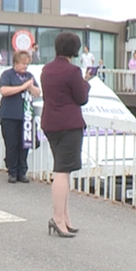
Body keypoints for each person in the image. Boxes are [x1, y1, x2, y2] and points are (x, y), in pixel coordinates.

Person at [40, 32, 92, 238]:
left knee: (64, 169)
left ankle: (65, 217)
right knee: (62, 171)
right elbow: (81, 98)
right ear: (75, 49)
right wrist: (85, 82)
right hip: (69, 125)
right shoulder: (72, 71)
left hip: (50, 123)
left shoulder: (46, 69)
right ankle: (58, 219)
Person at [0, 51, 41, 183]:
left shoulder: (29, 76)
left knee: (24, 145)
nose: (25, 67)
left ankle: (22, 171)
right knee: (12, 144)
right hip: (10, 115)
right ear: (16, 63)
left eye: (27, 64)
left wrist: (30, 87)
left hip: (26, 116)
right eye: (23, 64)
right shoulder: (7, 75)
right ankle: (12, 171)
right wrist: (22, 87)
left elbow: (37, 92)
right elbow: (4, 90)